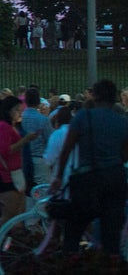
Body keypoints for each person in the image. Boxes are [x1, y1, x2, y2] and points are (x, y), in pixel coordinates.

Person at [53, 78, 128, 257]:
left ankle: (71, 261)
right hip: (115, 180)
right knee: (112, 237)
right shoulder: (122, 122)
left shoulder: (83, 117)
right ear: (114, 98)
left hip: (88, 180)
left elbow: (66, 149)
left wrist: (58, 176)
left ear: (95, 96)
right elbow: (125, 156)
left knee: (74, 230)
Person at [0, 95, 38, 234]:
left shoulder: (10, 126)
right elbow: (6, 150)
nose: (20, 113)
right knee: (9, 216)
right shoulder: (4, 127)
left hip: (12, 175)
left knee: (16, 217)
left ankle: (5, 246)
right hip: (4, 176)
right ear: (8, 111)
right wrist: (25, 140)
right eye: (17, 110)